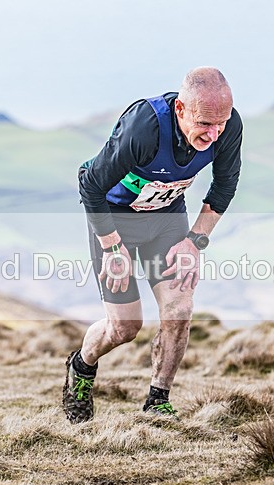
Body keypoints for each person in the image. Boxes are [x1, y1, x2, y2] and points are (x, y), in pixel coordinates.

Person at [63, 66, 243, 422]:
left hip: (166, 218)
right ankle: (81, 367)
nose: (213, 134)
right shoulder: (144, 128)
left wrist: (194, 241)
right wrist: (112, 248)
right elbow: (90, 185)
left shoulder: (227, 126)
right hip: (114, 218)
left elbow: (224, 186)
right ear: (181, 109)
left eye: (220, 124)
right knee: (124, 327)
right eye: (204, 123)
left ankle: (157, 401)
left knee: (179, 309)